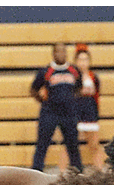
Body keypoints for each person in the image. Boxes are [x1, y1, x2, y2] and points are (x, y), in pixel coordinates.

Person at [30, 42, 82, 172]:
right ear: (53, 54)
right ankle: (36, 172)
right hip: (50, 113)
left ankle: (78, 175)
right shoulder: (46, 71)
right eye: (58, 51)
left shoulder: (74, 70)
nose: (61, 54)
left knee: (73, 147)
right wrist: (44, 101)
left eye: (63, 51)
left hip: (69, 114)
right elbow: (33, 89)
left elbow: (79, 88)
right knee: (42, 145)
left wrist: (71, 100)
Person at [73, 44, 104, 170]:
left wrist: (96, 114)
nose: (83, 63)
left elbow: (97, 97)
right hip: (75, 113)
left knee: (94, 145)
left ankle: (100, 172)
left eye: (85, 59)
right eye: (80, 59)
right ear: (75, 61)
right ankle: (63, 173)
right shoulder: (72, 77)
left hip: (90, 113)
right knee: (70, 145)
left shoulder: (94, 78)